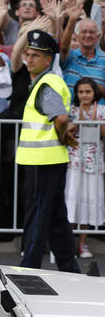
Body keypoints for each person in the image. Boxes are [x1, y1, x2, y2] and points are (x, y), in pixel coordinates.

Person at [16, 29, 80, 273]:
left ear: (48, 59)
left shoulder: (47, 83)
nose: (29, 59)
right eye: (28, 54)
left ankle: (28, 269)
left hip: (41, 162)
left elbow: (61, 117)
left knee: (38, 218)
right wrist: (63, 133)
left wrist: (63, 132)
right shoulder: (47, 82)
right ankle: (70, 268)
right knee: (55, 218)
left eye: (35, 55)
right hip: (48, 161)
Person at [64, 77, 105, 259]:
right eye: (81, 92)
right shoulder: (72, 110)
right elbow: (67, 134)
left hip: (94, 162)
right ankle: (68, 244)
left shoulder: (102, 110)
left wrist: (96, 119)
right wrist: (79, 119)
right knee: (72, 200)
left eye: (88, 91)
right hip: (75, 161)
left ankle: (82, 244)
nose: (84, 95)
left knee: (89, 199)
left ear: (94, 93)